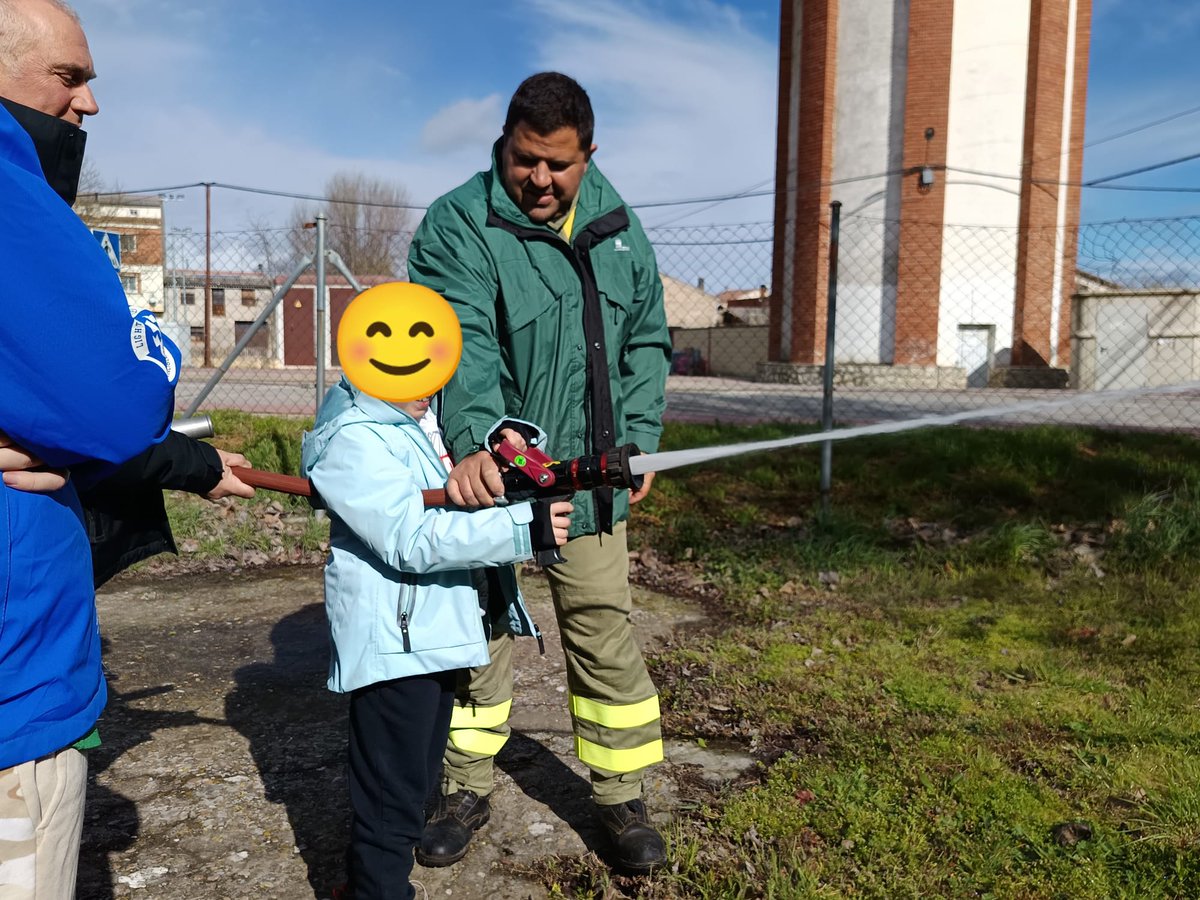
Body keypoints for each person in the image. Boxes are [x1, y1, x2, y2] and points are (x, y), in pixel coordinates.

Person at [407, 71, 673, 874]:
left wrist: (641, 438)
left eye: (559, 165)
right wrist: (479, 450)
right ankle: (463, 786)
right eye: (526, 160)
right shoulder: (460, 224)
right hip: (497, 481)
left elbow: (647, 345)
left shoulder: (620, 226)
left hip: (593, 484)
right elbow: (462, 353)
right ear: (506, 142)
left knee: (603, 632)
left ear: (588, 153)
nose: (541, 180)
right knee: (480, 631)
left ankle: (620, 798)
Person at [0, 1, 183, 895]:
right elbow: (116, 405)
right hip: (13, 700)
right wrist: (152, 334)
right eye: (69, 77)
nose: (88, 104)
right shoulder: (10, 186)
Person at [301, 381, 571, 900]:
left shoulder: (415, 422)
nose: (431, 387)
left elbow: (452, 502)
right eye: (415, 376)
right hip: (395, 645)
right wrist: (520, 530)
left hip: (430, 633)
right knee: (390, 792)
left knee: (416, 779)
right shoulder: (353, 439)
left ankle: (366, 885)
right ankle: (380, 891)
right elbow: (409, 538)